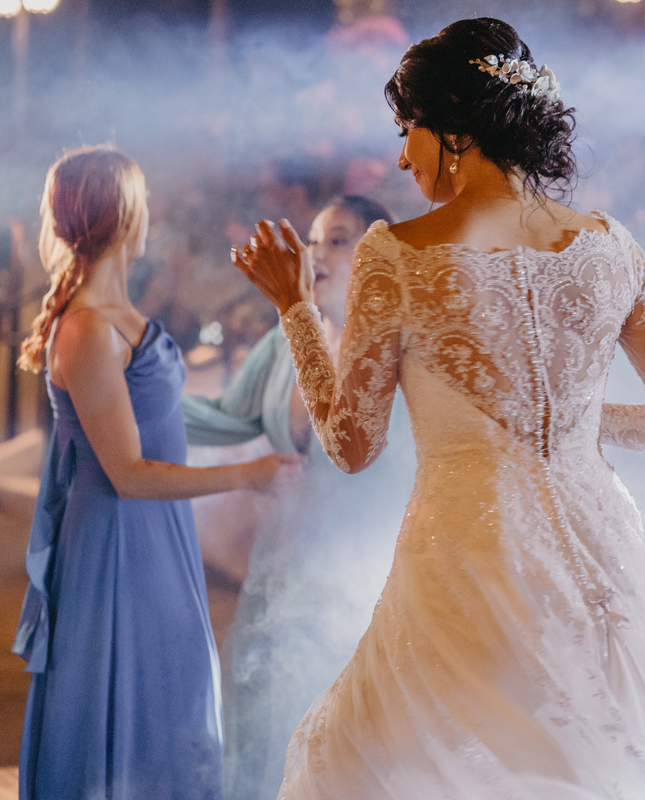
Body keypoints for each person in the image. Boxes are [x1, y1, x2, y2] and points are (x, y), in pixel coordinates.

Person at [233, 17, 645, 800]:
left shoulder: (397, 255)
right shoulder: (611, 246)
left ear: (453, 128)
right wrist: (566, 422)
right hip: (598, 548)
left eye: (408, 128)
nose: (402, 156)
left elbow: (351, 445)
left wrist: (296, 308)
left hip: (469, 554)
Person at [11, 146, 297, 800]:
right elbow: (130, 475)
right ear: (124, 216)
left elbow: (155, 410)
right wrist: (247, 473)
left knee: (173, 687)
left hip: (155, 534)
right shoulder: (86, 329)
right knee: (140, 697)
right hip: (116, 541)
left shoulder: (118, 313)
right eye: (143, 200)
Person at [183, 195, 414, 800]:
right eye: (312, 241)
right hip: (281, 565)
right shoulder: (286, 341)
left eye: (337, 239)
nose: (317, 254)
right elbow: (228, 416)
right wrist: (132, 401)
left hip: (360, 576)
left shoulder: (400, 349)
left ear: (377, 250)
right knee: (264, 723)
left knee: (341, 736)